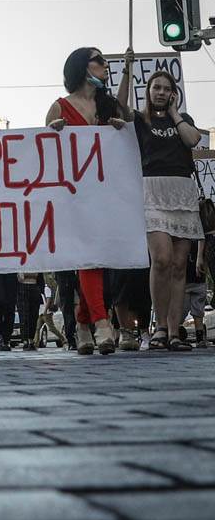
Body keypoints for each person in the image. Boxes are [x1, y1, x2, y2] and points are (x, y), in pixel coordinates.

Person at [116, 62, 205, 351]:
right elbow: (119, 108)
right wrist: (127, 70)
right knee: (162, 259)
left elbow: (193, 140)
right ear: (148, 90)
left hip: (182, 193)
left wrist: (176, 114)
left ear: (173, 94)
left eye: (167, 89)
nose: (161, 92)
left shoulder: (183, 119)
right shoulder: (140, 119)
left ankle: (174, 331)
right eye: (157, 87)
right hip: (152, 192)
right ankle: (160, 326)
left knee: (179, 266)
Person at [45, 47, 128, 354]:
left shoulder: (109, 106)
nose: (106, 65)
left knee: (102, 260)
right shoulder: (60, 107)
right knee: (89, 256)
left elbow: (129, 132)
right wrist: (52, 132)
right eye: (99, 60)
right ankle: (102, 323)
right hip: (75, 197)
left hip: (107, 195)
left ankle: (82, 324)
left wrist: (119, 130)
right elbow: (42, 153)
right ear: (82, 67)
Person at [183, 241, 207, 348]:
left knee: (198, 309)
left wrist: (200, 257)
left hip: (196, 278)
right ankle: (199, 337)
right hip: (186, 279)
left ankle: (200, 336)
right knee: (184, 309)